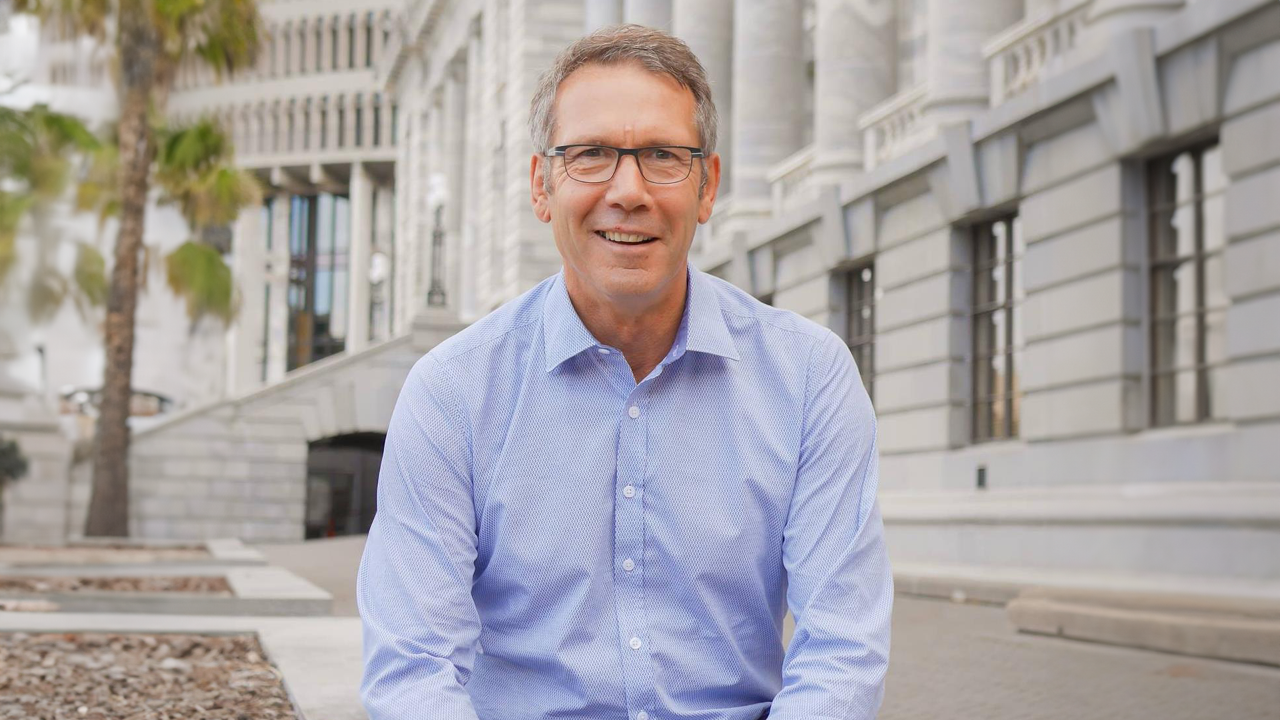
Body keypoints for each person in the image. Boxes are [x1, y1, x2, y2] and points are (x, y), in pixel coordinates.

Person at [357, 24, 892, 720]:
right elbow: (413, 666)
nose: (629, 190)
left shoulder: (809, 378)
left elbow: (842, 650)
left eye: (663, 156)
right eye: (592, 155)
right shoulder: (453, 394)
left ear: (707, 187)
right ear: (542, 185)